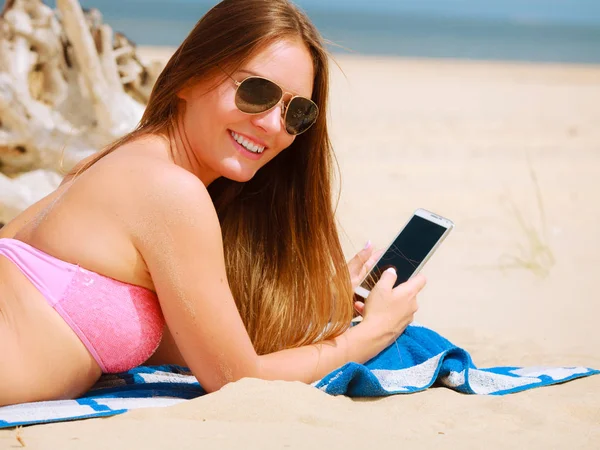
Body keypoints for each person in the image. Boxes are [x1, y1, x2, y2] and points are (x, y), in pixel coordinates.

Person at [0, 0, 425, 407]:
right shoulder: (171, 192)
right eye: (256, 91)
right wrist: (369, 336)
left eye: (297, 113)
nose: (272, 125)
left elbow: (198, 344)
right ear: (189, 76)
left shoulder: (115, 163)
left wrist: (319, 302)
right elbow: (235, 379)